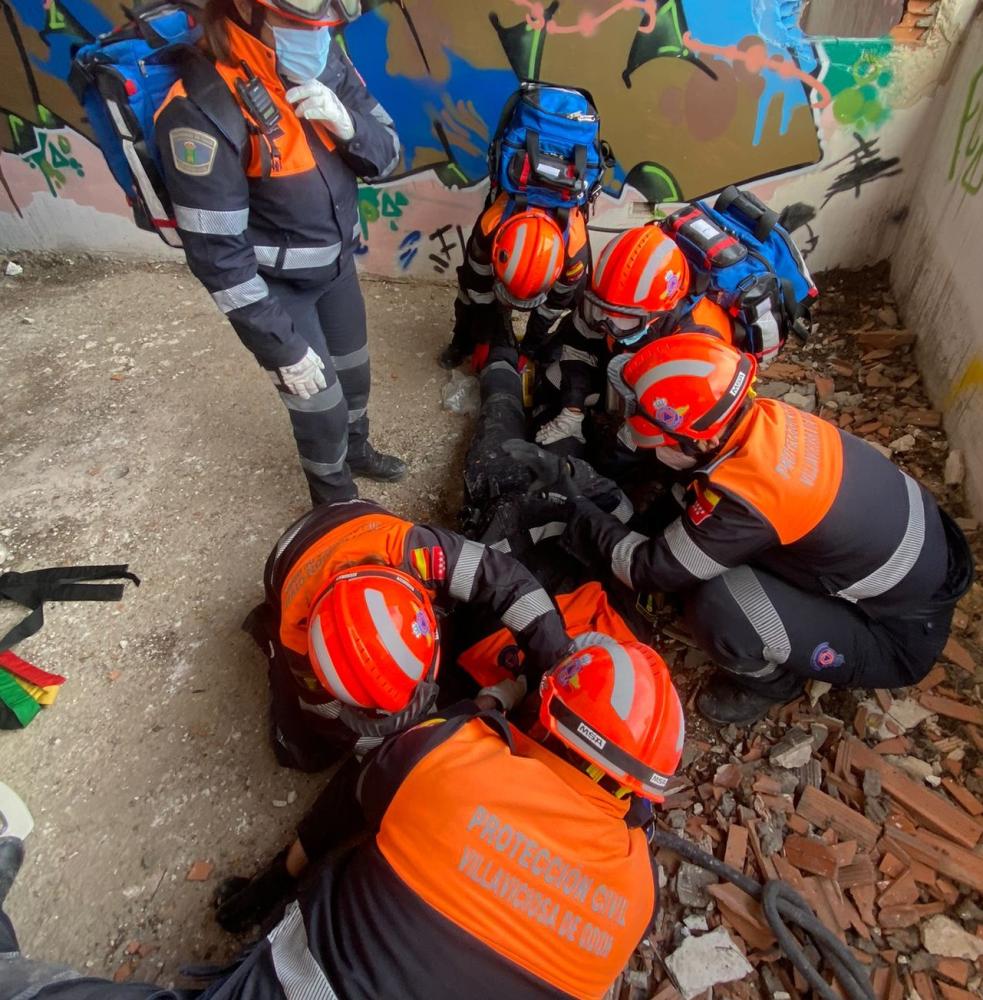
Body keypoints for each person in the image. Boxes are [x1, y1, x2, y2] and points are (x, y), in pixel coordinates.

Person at [0, 639, 684, 999]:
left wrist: (485, 713)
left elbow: (369, 784)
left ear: (548, 714)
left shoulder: (453, 760)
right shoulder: (635, 893)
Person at [510, 333, 975, 725]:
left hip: (897, 632)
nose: (648, 442)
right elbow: (696, 494)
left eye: (658, 434)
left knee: (718, 602)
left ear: (703, 437)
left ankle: (772, 682)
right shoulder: (760, 421)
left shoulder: (750, 494)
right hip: (919, 552)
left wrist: (576, 505)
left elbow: (648, 570)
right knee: (693, 520)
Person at [155, 0, 405, 507]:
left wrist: (348, 123)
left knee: (354, 380)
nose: (315, 35)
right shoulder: (201, 108)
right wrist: (280, 348)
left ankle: (356, 451)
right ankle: (334, 499)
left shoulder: (326, 60)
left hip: (335, 269)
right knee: (321, 408)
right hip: (276, 290)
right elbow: (217, 259)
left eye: (324, 25)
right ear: (247, 9)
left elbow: (389, 153)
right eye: (298, 23)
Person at [248, 493, 573, 771]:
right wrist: (414, 736)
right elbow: (334, 724)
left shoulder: (416, 550)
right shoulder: (295, 638)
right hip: (285, 559)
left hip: (354, 514)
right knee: (303, 745)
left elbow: (508, 582)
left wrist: (556, 661)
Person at [535, 225, 737, 452]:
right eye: (602, 311)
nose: (607, 324)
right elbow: (578, 345)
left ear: (661, 311)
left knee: (625, 453)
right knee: (552, 380)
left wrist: (627, 437)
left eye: (624, 320)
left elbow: (676, 421)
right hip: (626, 363)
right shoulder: (608, 294)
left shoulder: (695, 341)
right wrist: (572, 409)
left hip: (670, 404)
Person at [438, 195, 590, 370]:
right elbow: (478, 288)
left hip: (565, 247)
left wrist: (528, 350)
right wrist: (483, 339)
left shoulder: (574, 256)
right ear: (497, 252)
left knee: (581, 299)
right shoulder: (488, 230)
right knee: (468, 287)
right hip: (504, 220)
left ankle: (559, 349)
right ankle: (461, 342)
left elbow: (552, 307)